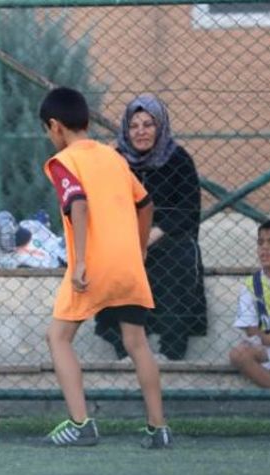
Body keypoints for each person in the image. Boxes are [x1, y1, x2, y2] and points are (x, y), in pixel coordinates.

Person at [38, 87, 171, 449]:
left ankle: (81, 423)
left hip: (93, 265)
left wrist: (80, 261)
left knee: (58, 338)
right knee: (137, 342)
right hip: (128, 265)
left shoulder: (62, 161)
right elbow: (146, 204)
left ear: (55, 126)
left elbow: (78, 204)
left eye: (48, 130)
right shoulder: (114, 157)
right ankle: (158, 428)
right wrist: (139, 248)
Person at [95, 95, 207, 361]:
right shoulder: (115, 160)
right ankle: (125, 349)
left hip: (167, 235)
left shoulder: (178, 158)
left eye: (148, 124)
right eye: (134, 126)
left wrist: (150, 236)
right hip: (124, 238)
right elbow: (102, 204)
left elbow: (188, 208)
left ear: (160, 127)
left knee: (179, 260)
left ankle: (172, 349)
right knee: (113, 264)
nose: (141, 131)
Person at [229, 220, 270, 388]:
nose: (264, 248)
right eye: (260, 243)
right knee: (238, 354)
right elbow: (249, 327)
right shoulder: (251, 285)